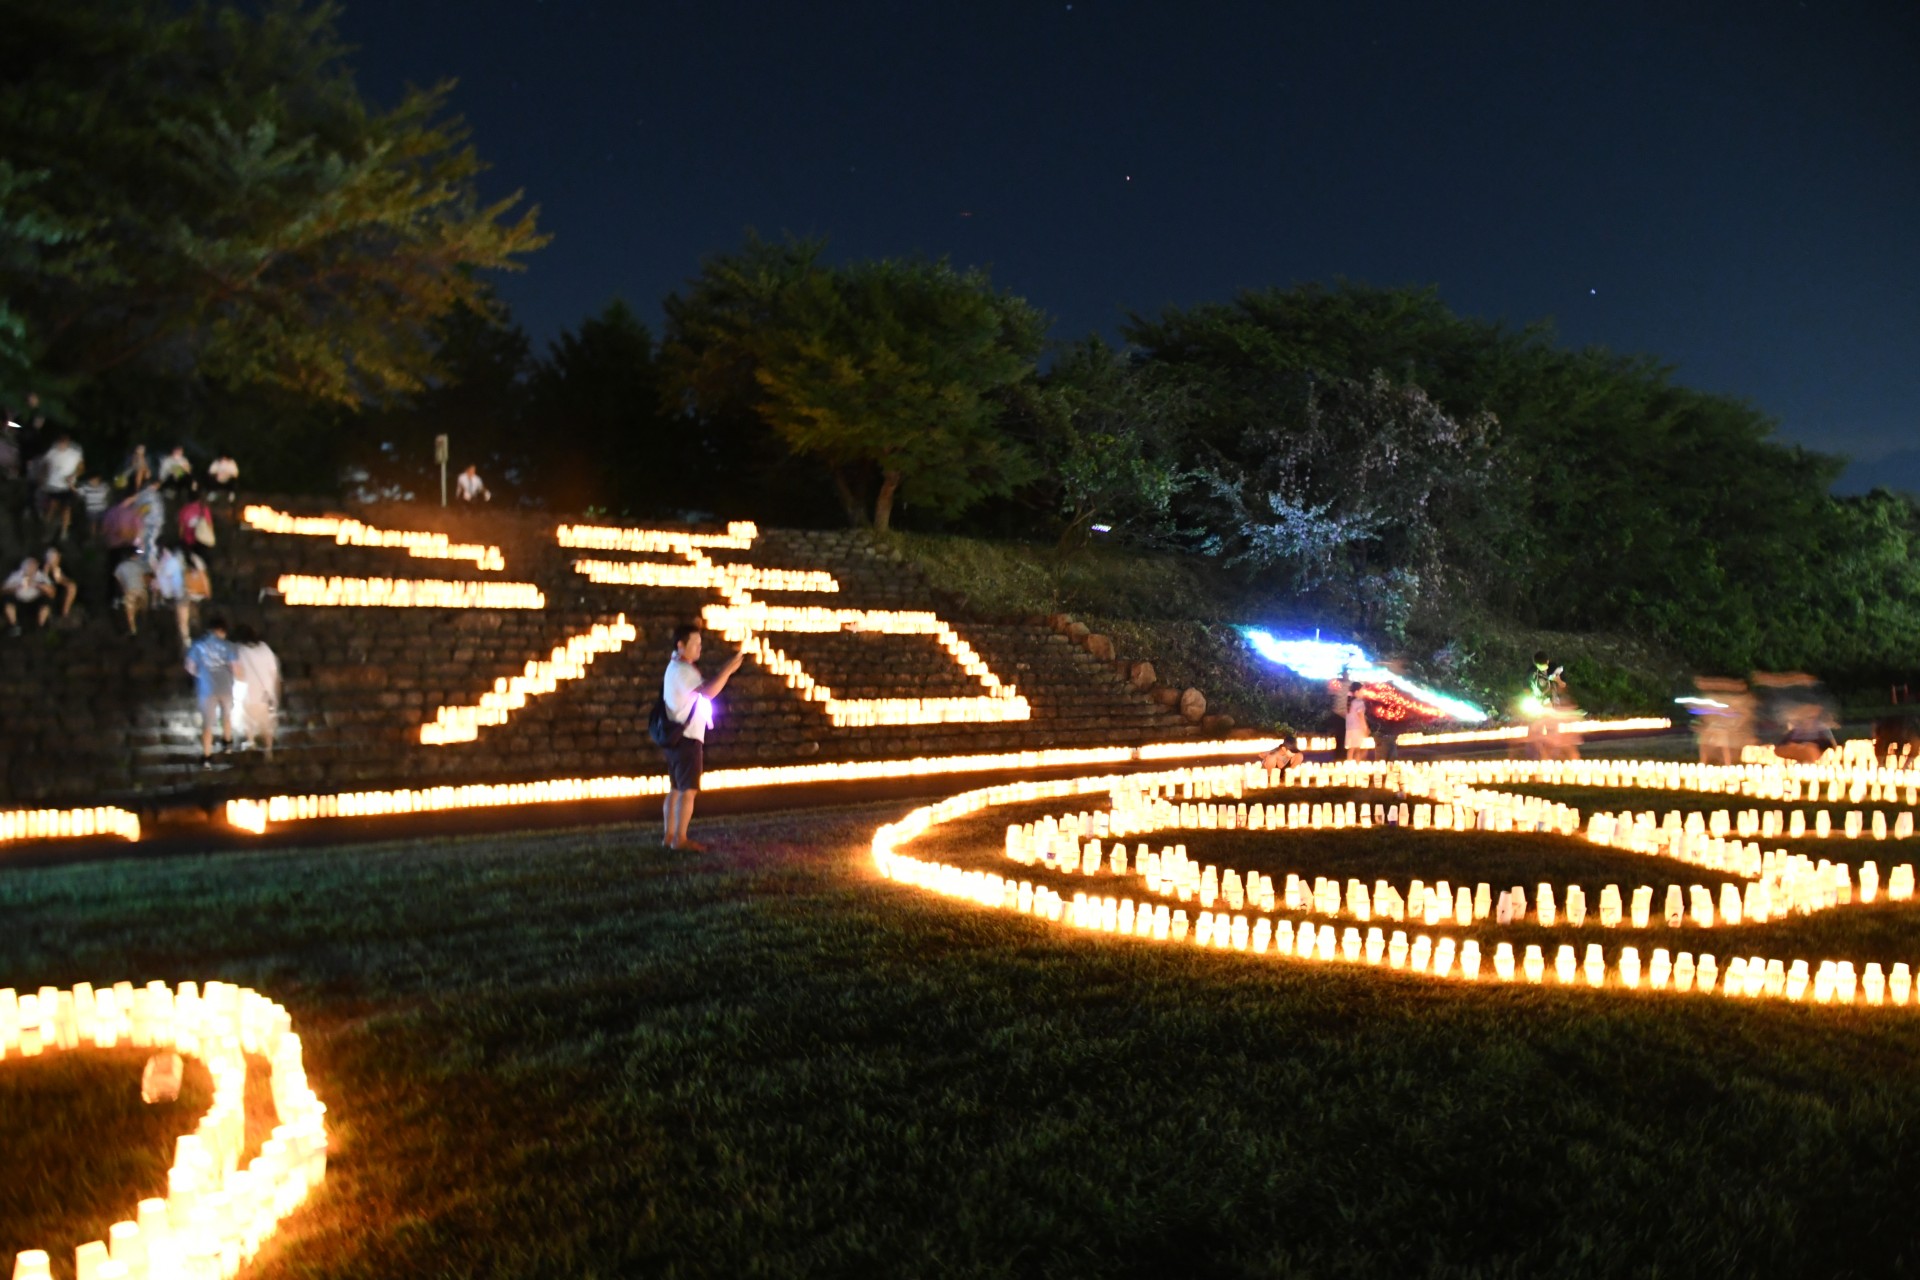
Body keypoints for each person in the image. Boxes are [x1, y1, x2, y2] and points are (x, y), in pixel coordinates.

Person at [660, 623, 744, 851]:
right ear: (681, 645)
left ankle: (669, 836)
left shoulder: (674, 667)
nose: (699, 648)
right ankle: (680, 839)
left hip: (675, 738)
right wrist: (727, 670)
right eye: (695, 643)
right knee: (688, 790)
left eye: (700, 643)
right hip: (687, 739)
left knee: (676, 789)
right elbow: (708, 691)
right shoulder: (683, 671)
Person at [184, 616, 238, 767]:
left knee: (207, 724)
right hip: (226, 687)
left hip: (206, 689)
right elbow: (235, 667)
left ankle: (207, 757)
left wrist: (200, 675)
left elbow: (189, 666)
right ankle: (227, 745)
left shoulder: (198, 645)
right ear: (221, 630)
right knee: (226, 716)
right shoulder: (229, 646)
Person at [231, 624, 281, 758]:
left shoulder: (239, 650)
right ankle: (268, 749)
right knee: (267, 724)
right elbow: (274, 673)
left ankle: (250, 741)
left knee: (247, 719)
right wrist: (275, 695)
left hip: (249, 693)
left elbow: (237, 672)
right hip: (266, 695)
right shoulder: (266, 649)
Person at [37, 431, 83, 542]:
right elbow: (45, 465)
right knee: (51, 507)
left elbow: (81, 467)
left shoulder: (74, 454)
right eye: (60, 442)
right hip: (53, 485)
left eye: (64, 442)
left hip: (67, 486)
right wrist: (42, 478)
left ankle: (64, 531)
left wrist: (74, 475)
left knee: (66, 509)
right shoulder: (52, 453)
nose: (62, 444)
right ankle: (46, 530)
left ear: (67, 443)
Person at [3, 555, 54, 635]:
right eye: (30, 566)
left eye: (34, 566)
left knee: (46, 600)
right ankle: (14, 625)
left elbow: (52, 592)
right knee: (8, 600)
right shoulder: (16, 575)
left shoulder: (41, 576)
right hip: (19, 600)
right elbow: (4, 589)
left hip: (35, 601)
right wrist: (17, 586)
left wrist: (37, 585)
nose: (32, 568)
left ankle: (41, 626)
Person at [113, 550, 151, 636]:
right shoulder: (140, 565)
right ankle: (146, 627)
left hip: (130, 592)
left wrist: (123, 590)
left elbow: (118, 581)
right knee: (144, 611)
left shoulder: (120, 566)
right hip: (142, 591)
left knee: (130, 615)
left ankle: (133, 631)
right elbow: (147, 578)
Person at [39, 546, 77, 621]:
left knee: (72, 587)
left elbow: (65, 580)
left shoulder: (60, 568)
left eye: (57, 558)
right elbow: (43, 581)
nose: (56, 560)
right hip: (48, 591)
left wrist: (62, 580)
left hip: (60, 589)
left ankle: (65, 612)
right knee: (49, 590)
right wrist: (47, 570)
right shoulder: (44, 568)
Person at [178, 490, 217, 559]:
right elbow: (209, 524)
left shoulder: (183, 510)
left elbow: (181, 529)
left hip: (189, 540)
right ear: (198, 498)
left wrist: (181, 540)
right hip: (202, 541)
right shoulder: (203, 509)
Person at [1344, 679, 1371, 761]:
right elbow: (1361, 716)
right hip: (1357, 728)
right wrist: (1365, 728)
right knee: (1358, 750)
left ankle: (1349, 765)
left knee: (1351, 750)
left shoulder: (1349, 703)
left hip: (1349, 729)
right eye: (1361, 691)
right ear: (1356, 692)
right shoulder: (1359, 702)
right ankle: (1357, 767)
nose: (1363, 693)